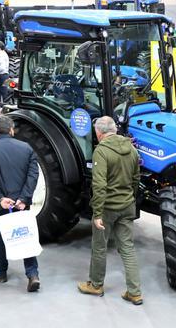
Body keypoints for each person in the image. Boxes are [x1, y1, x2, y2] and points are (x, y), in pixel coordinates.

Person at [77, 116, 142, 305]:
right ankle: (135, 292)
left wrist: (97, 213)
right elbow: (136, 179)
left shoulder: (101, 151)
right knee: (127, 248)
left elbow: (99, 185)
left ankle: (96, 285)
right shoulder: (131, 148)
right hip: (127, 205)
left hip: (107, 209)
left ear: (99, 133)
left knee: (99, 247)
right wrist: (130, 198)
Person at [0, 115, 40, 292]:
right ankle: (33, 274)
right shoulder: (26, 148)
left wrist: (0, 198)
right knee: (26, 236)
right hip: (21, 203)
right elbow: (33, 175)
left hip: (0, 205)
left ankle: (0, 273)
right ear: (11, 130)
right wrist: (24, 198)